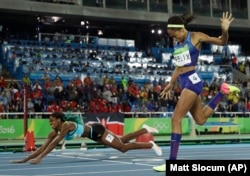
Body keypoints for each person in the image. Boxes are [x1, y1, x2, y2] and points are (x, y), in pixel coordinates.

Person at [153, 11, 240, 172]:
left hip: (193, 81)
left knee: (176, 118)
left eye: (175, 35)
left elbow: (222, 42)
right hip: (184, 81)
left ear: (180, 29)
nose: (174, 38)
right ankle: (222, 91)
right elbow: (179, 67)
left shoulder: (196, 37)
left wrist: (225, 30)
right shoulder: (176, 42)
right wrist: (170, 84)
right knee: (200, 119)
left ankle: (172, 163)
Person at [11, 112, 162, 164]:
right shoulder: (53, 132)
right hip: (93, 136)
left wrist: (40, 159)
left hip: (98, 131)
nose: (50, 123)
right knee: (121, 140)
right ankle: (145, 129)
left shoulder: (66, 125)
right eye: (49, 121)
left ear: (59, 120)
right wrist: (24, 160)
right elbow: (43, 147)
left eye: (52, 121)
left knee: (122, 148)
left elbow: (55, 144)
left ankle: (150, 144)